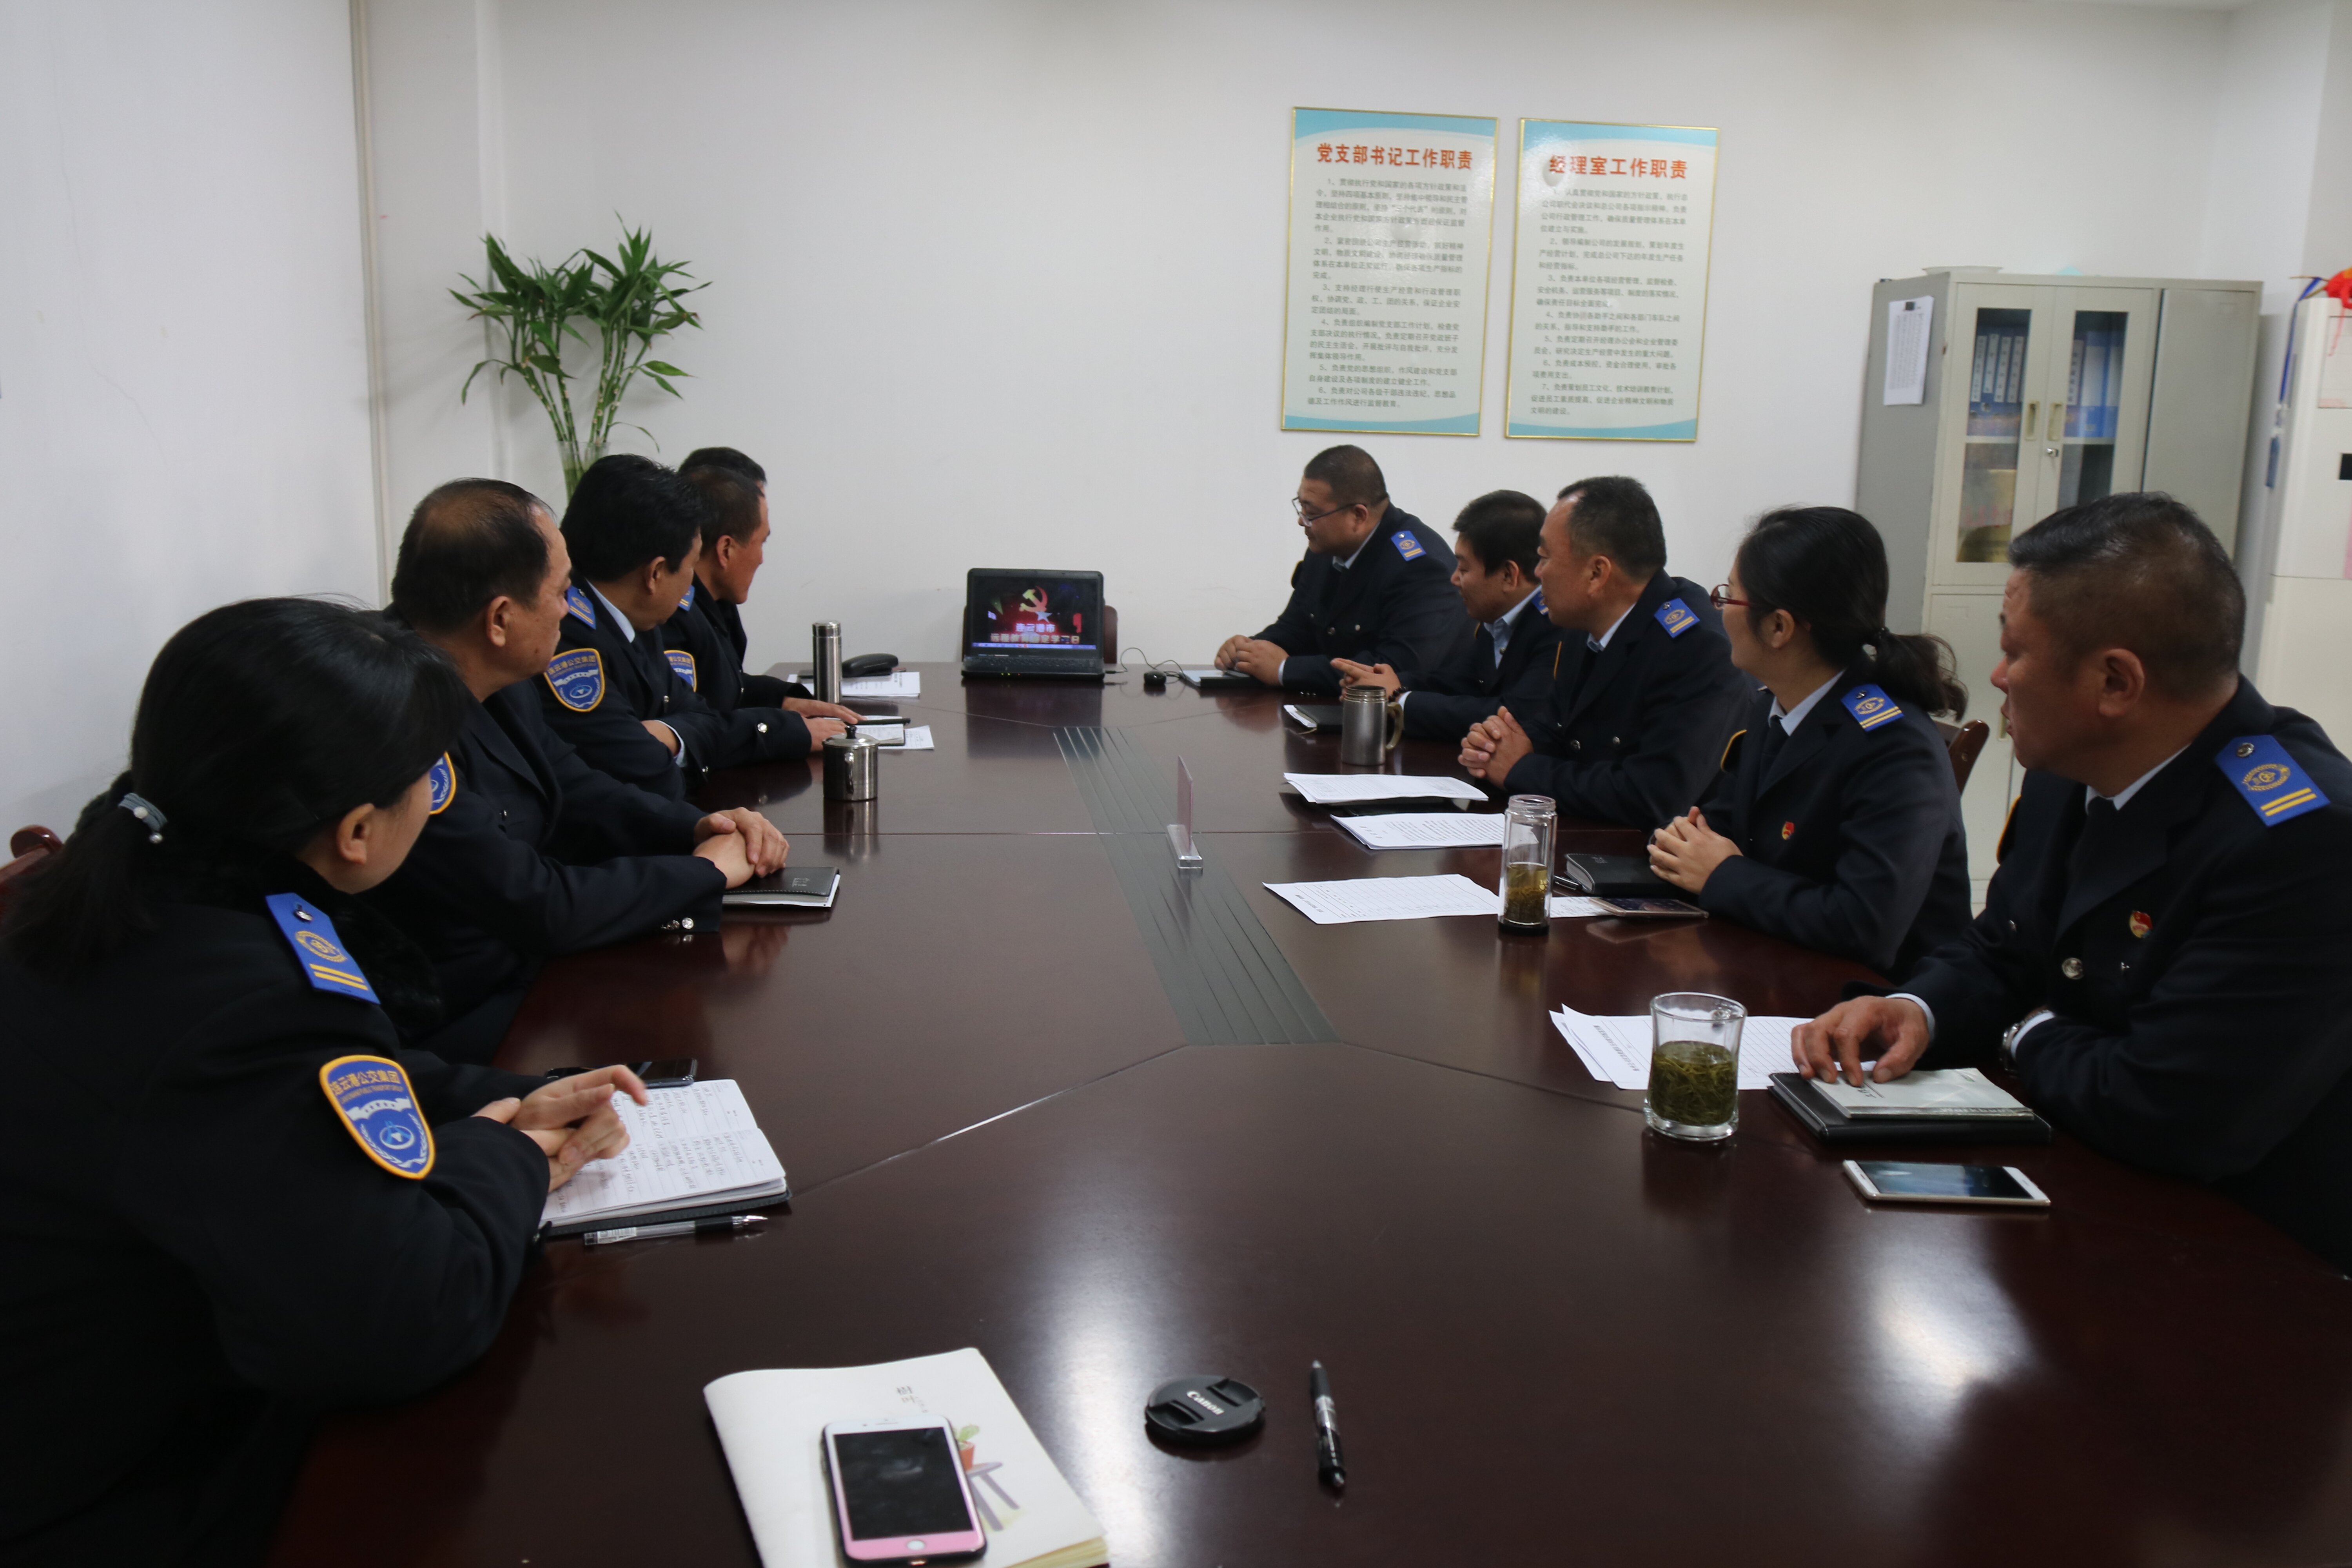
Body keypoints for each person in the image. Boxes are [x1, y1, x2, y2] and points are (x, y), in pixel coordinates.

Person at [0, 597, 650, 1565]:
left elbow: (326, 1083)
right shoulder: (237, 1000)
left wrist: (499, 1091)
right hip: (127, 1488)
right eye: (429, 776)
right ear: (356, 829)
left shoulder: (144, 887)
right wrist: (511, 1153)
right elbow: (402, 1318)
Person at [1796, 493, 2352, 1271]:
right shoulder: (2072, 766)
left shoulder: (2301, 837)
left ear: (2115, 682)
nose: (1997, 675)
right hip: (2074, 1186)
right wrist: (1916, 1008)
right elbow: (2001, 948)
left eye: (2015, 651)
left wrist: (2023, 1030)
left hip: (2235, 1262)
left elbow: (2169, 1111)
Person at [375, 478, 789, 1062]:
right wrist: (707, 873)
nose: (571, 609)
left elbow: (576, 784)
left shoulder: (490, 668)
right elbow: (533, 901)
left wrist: (701, 827)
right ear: (500, 618)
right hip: (465, 1022)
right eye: (561, 591)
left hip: (533, 969)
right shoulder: (395, 718)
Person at [1645, 506, 1971, 973]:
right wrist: (1680, 846)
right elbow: (1720, 826)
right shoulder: (1775, 707)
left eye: (1730, 597)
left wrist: (1722, 874)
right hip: (1771, 958)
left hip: (1869, 996)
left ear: (1779, 627)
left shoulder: (1895, 747)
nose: (1720, 610)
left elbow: (1864, 926)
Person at [540, 454, 845, 800]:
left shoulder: (636, 618)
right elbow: (651, 773)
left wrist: (670, 736)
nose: (692, 583)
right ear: (655, 574)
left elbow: (700, 711)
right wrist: (676, 738)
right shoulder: (568, 643)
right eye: (690, 565)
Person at [1459, 475, 1746, 828]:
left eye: (1545, 558)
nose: (1537, 572)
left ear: (1597, 573)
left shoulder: (1696, 649)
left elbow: (1653, 796)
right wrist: (1495, 746)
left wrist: (1521, 769)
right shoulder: (1581, 624)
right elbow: (1556, 730)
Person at [1213, 444, 1462, 692]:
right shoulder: (1325, 550)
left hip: (1404, 712)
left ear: (1358, 516)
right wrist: (1248, 651)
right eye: (1301, 507)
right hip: (1335, 705)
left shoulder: (1420, 567)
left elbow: (1395, 669)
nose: (1302, 521)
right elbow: (1296, 628)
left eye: (1312, 513)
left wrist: (1284, 670)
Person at [1329, 488, 1564, 741]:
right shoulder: (1497, 622)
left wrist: (1400, 699)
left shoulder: (1556, 629)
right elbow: (1455, 683)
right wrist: (1381, 682)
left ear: (1508, 575)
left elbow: (1512, 716)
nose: (1454, 579)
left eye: (1463, 569)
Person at [668, 449, 822, 710]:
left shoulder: (717, 601)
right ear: (726, 549)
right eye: (761, 542)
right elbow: (694, 719)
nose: (761, 559)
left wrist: (785, 700)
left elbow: (728, 688)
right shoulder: (672, 615)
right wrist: (777, 725)